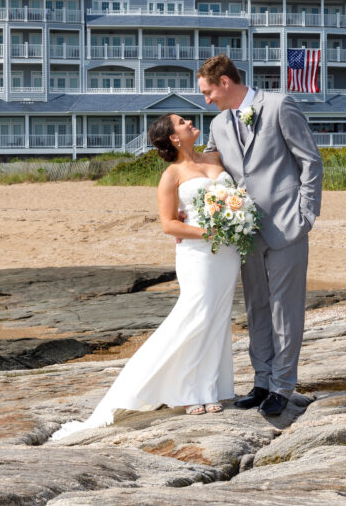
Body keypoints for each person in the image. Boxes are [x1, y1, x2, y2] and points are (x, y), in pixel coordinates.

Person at [50, 113, 240, 440]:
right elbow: (169, 224)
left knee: (218, 318)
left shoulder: (215, 157)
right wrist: (208, 231)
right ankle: (185, 390)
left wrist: (238, 217)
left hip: (228, 252)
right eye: (182, 122)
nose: (190, 122)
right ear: (174, 138)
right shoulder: (171, 175)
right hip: (199, 253)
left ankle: (211, 388)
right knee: (196, 315)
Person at [197, 54, 322, 417]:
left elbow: (310, 161)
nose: (206, 100)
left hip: (287, 225)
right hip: (246, 230)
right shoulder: (219, 124)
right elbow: (209, 166)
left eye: (207, 92)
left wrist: (306, 214)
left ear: (224, 82)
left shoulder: (281, 105)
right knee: (257, 308)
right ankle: (262, 380)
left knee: (286, 309)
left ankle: (283, 386)